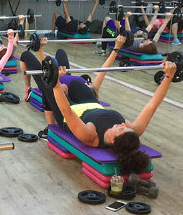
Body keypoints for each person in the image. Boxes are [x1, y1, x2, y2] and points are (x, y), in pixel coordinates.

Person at [21, 36, 177, 174]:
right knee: (75, 83)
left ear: (113, 141)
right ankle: (53, 69)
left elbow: (67, 112)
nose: (122, 123)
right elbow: (151, 106)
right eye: (124, 125)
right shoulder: (130, 134)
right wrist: (168, 77)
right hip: (90, 101)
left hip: (69, 111)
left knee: (37, 70)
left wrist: (55, 84)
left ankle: (34, 62)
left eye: (121, 128)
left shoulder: (92, 137)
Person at [21, 35, 125, 126]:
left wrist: (40, 49)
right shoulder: (92, 88)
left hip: (52, 79)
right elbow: (104, 70)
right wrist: (116, 48)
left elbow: (48, 72)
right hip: (64, 72)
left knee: (25, 55)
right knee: (60, 52)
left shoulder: (68, 91)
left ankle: (27, 88)